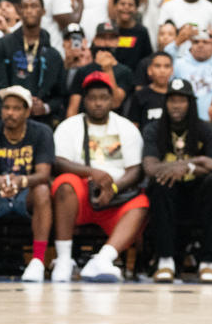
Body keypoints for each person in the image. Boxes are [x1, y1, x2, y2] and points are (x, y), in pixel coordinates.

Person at [51, 72, 149, 282]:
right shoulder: (69, 126)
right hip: (80, 197)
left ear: (112, 100)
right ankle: (64, 259)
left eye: (103, 98)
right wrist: (93, 173)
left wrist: (112, 187)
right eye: (93, 98)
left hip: (115, 196)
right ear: (84, 100)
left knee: (141, 203)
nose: (98, 103)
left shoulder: (126, 128)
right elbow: (59, 162)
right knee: (64, 183)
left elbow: (135, 170)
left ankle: (103, 259)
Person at [141, 79, 212, 283]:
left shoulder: (204, 129)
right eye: (172, 100)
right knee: (160, 183)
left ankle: (208, 263)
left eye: (181, 100)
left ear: (190, 103)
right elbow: (150, 168)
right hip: (168, 198)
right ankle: (165, 262)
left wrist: (189, 165)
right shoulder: (154, 129)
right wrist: (196, 165)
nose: (176, 105)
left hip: (199, 197)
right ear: (166, 103)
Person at [0, 86, 54, 282]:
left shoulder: (41, 132)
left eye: (16, 109)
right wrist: (1, 181)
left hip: (27, 193)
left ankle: (38, 261)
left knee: (42, 190)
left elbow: (43, 174)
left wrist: (20, 181)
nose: (10, 113)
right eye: (6, 108)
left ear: (27, 112)